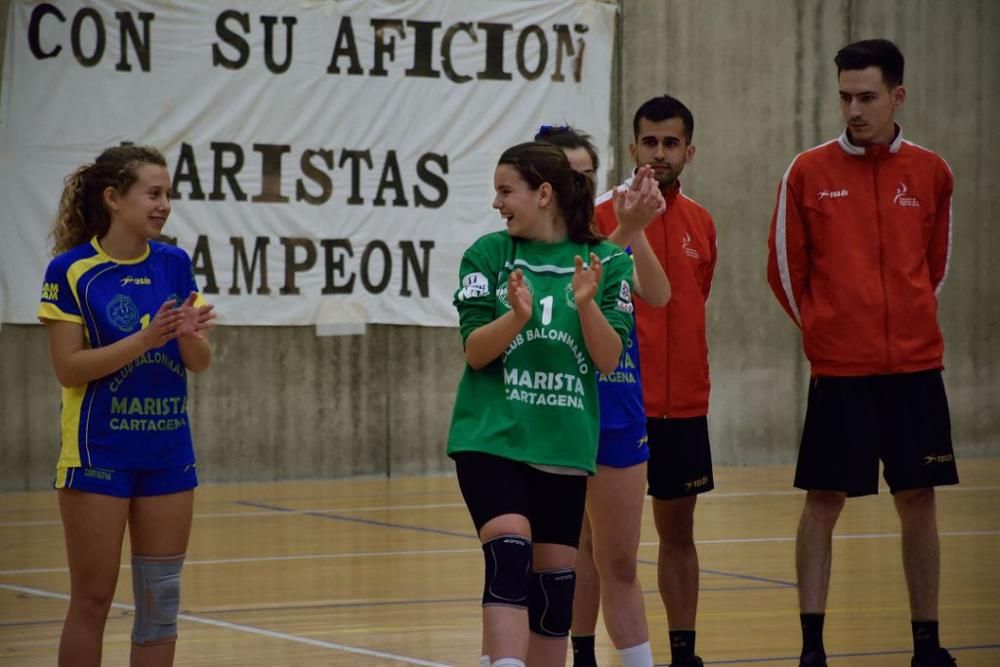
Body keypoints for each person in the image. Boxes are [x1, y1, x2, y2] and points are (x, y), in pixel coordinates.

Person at [766, 39, 958, 667]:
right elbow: (785, 272)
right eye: (845, 96)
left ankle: (927, 644)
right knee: (823, 503)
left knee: (918, 501)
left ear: (897, 96)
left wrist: (905, 322)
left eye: (867, 97)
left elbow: (934, 267)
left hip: (914, 370)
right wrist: (826, 333)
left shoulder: (932, 172)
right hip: (841, 372)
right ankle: (811, 648)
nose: (854, 109)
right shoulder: (807, 172)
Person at [448, 141, 636, 667]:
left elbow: (607, 359)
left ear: (545, 194)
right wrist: (516, 318)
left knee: (554, 599)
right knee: (509, 557)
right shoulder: (487, 254)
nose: (497, 203)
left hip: (564, 444)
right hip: (491, 438)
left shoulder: (609, 262)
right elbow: (475, 352)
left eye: (506, 191)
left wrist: (585, 304)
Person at [37, 145, 216, 667]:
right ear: (114, 198)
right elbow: (68, 368)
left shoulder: (174, 262)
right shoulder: (71, 271)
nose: (163, 205)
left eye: (168, 195)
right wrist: (143, 339)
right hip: (99, 454)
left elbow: (199, 361)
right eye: (153, 193)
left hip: (167, 454)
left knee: (160, 607)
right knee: (91, 602)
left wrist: (188, 334)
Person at [535, 125, 669, 667]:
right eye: (570, 175)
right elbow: (569, 296)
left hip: (616, 412)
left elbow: (658, 293)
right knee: (554, 563)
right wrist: (626, 230)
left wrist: (634, 228)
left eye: (589, 175)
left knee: (619, 562)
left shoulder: (608, 240)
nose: (582, 185)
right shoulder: (527, 248)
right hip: (555, 417)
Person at [593, 95, 718, 667]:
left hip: (683, 404)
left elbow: (692, 302)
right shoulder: (597, 217)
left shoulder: (701, 222)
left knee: (679, 533)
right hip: (618, 404)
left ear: (688, 150)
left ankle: (684, 653)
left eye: (671, 143)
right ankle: (584, 651)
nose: (660, 153)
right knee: (596, 544)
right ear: (632, 147)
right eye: (650, 142)